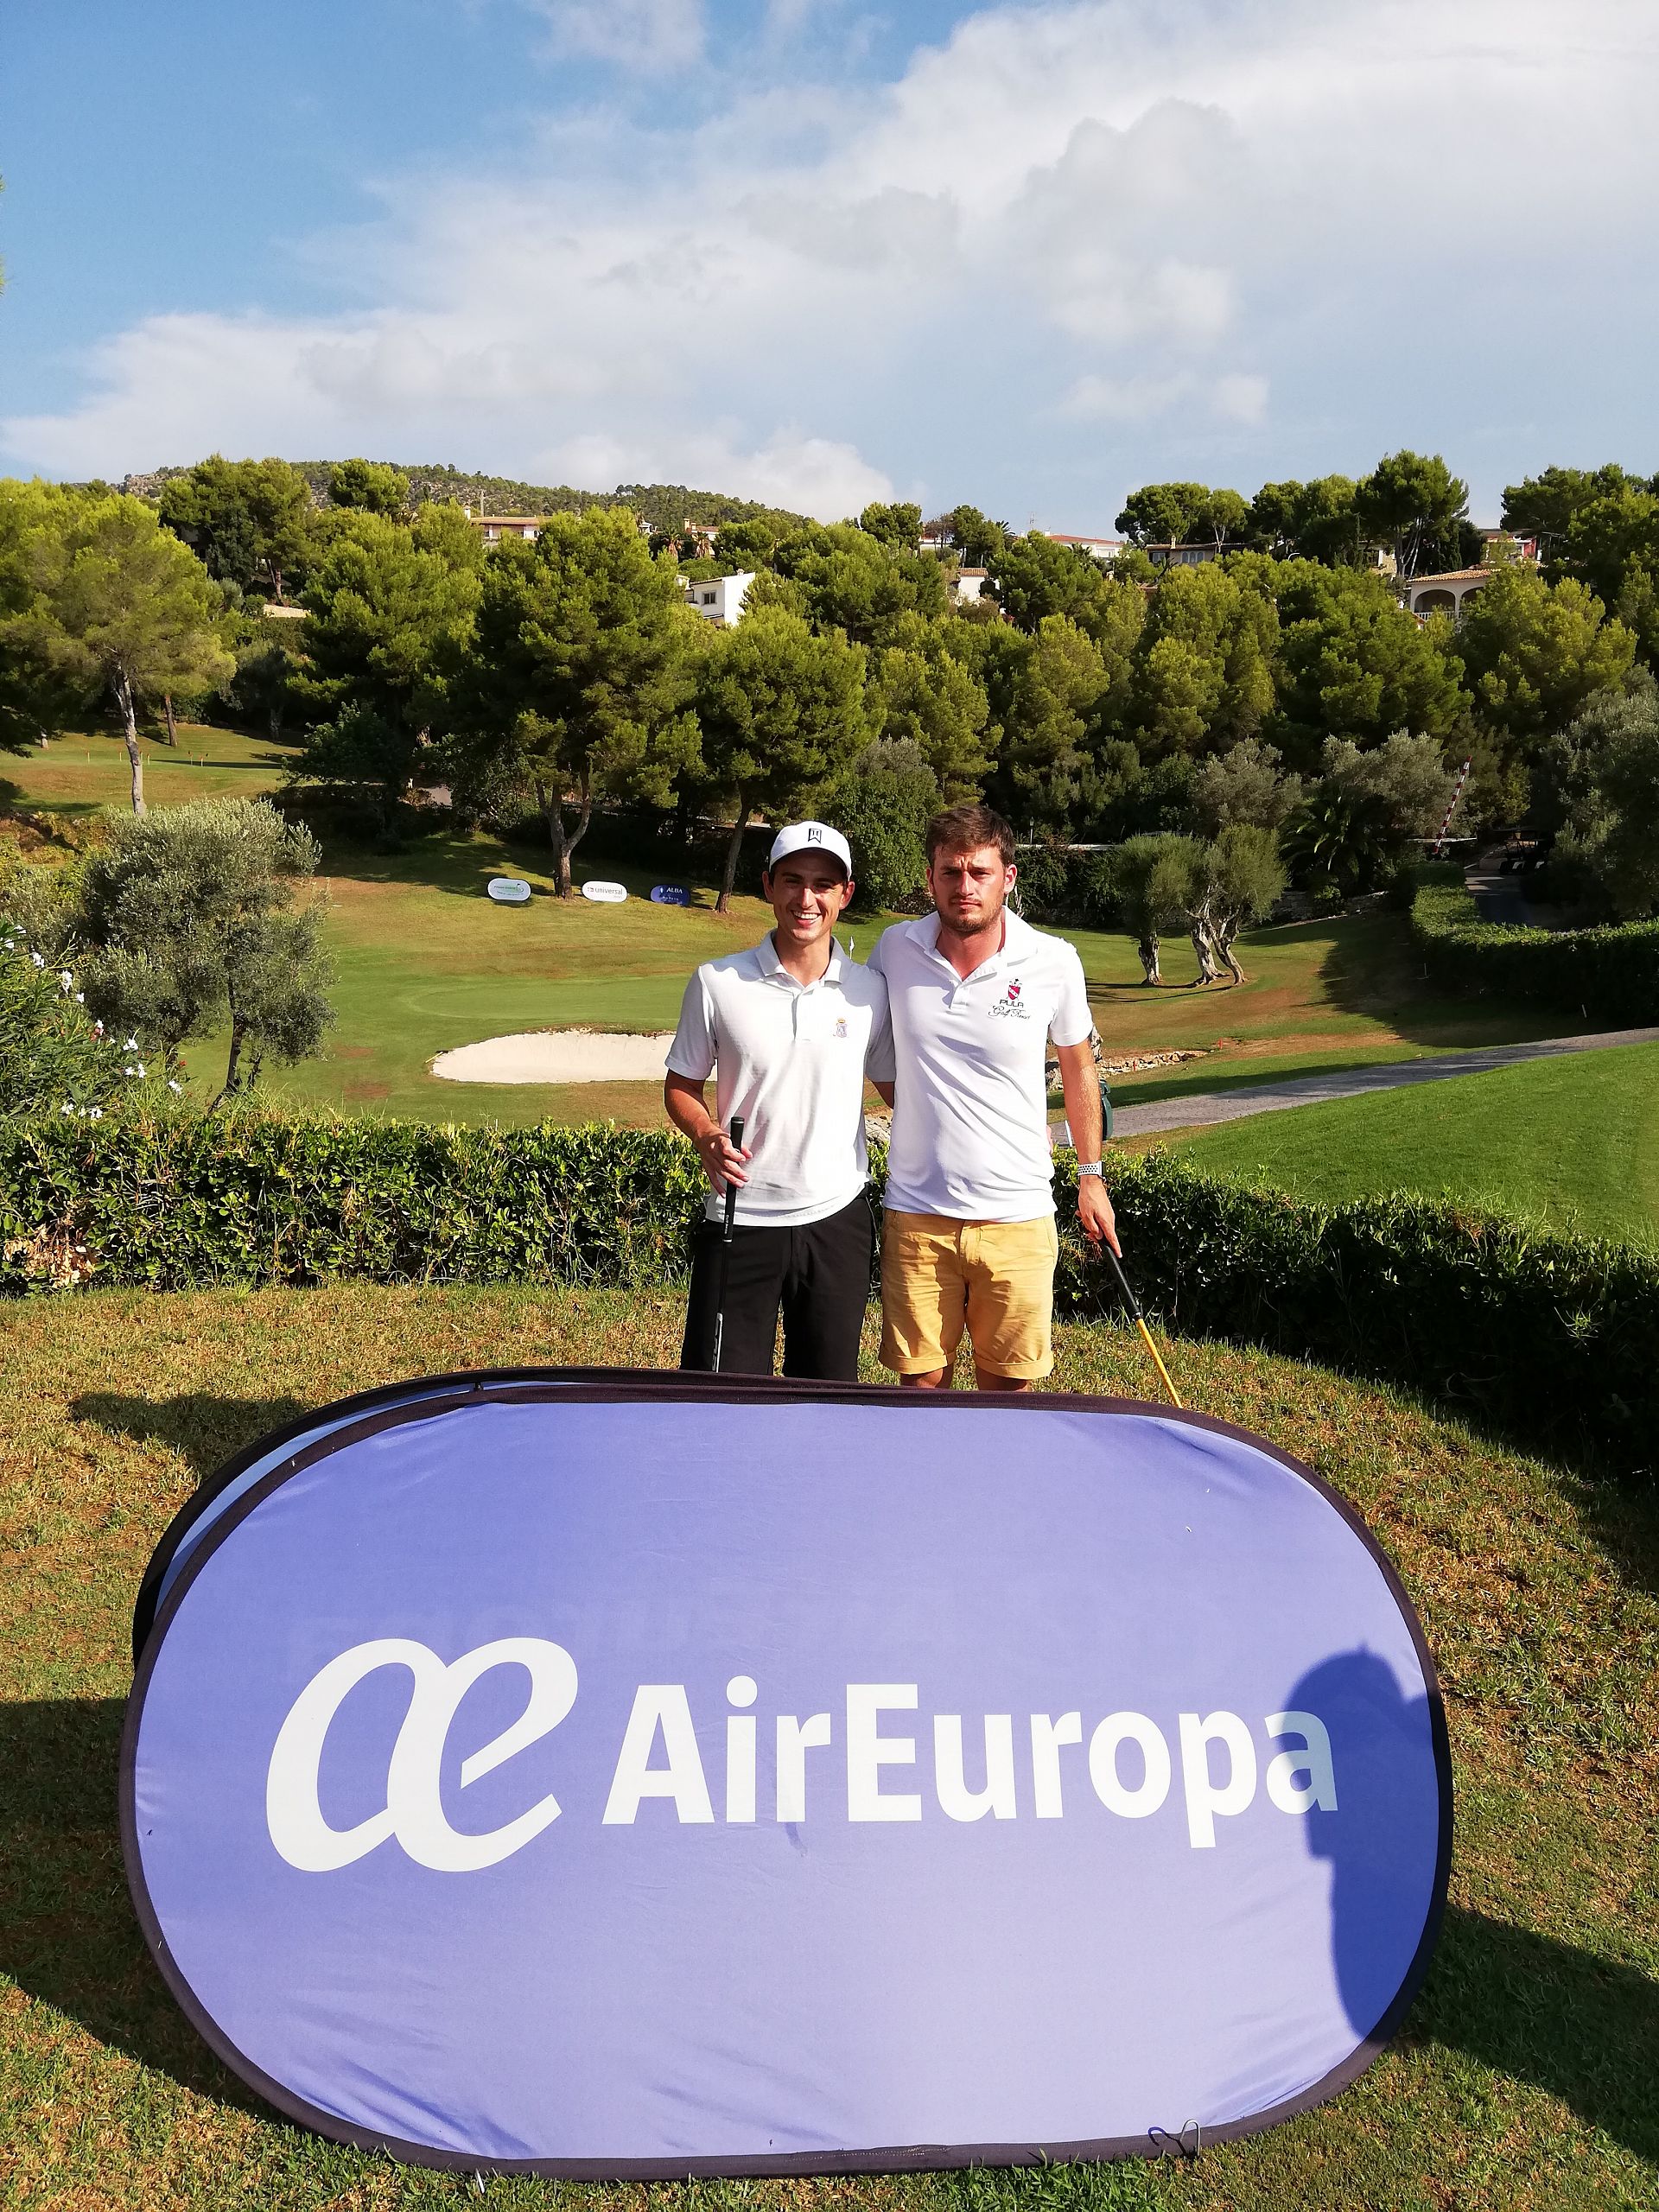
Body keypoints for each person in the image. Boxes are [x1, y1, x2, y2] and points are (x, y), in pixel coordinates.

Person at [866, 803, 1118, 1392]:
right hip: (917, 1215)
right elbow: (874, 1049)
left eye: (979, 872)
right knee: (921, 1388)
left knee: (1007, 1393)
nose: (965, 887)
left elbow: (1078, 1066)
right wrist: (919, 1105)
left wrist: (1091, 1176)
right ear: (930, 878)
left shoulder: (1052, 959)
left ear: (1008, 876)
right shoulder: (895, 949)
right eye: (950, 872)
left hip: (1018, 1217)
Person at [665, 821, 893, 1382]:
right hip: (739, 1217)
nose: (806, 898)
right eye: (792, 880)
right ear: (768, 885)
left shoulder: (870, 991)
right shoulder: (717, 981)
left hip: (837, 1218)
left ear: (846, 894)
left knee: (827, 1398)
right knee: (719, 1396)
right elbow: (680, 1086)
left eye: (823, 884)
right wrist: (706, 1135)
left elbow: (902, 1096)